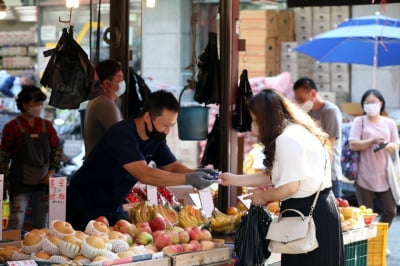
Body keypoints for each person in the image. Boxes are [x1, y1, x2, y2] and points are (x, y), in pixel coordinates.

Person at [219, 89, 344, 266]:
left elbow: (289, 187)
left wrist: (263, 197)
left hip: (307, 215)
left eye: (255, 120)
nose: (253, 126)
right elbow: (275, 175)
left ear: (266, 119)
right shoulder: (298, 132)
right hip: (318, 211)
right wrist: (233, 179)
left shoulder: (286, 140)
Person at [66, 90, 215, 230]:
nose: (167, 131)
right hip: (85, 204)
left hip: (113, 206)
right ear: (147, 117)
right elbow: (145, 174)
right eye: (165, 125)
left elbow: (172, 166)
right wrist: (188, 179)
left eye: (171, 126)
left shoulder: (156, 138)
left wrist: (197, 173)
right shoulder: (122, 134)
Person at [0, 85, 62, 229]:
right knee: (16, 221)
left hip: (44, 183)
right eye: (36, 103)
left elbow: (57, 151)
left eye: (41, 103)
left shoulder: (47, 126)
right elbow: (3, 156)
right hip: (19, 183)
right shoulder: (12, 127)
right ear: (24, 104)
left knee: (42, 225)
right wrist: (5, 181)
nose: (39, 107)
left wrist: (51, 173)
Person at [348, 89, 398, 227]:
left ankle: (379, 238)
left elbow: (397, 145)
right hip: (364, 174)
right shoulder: (359, 121)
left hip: (385, 175)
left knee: (390, 211)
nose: (370, 105)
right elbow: (353, 144)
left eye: (373, 102)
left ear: (381, 103)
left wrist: (388, 145)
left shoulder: (389, 123)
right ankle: (367, 245)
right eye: (367, 102)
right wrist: (372, 141)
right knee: (366, 215)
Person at [293, 77, 343, 198]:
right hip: (311, 175)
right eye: (297, 99)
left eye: (301, 99)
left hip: (329, 176)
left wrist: (323, 174)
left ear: (313, 93)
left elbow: (330, 146)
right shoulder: (307, 113)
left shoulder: (330, 111)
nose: (299, 103)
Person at [83, 59, 125, 157]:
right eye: (120, 78)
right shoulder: (104, 103)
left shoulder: (100, 101)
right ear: (106, 84)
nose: (123, 82)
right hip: (101, 168)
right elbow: (122, 137)